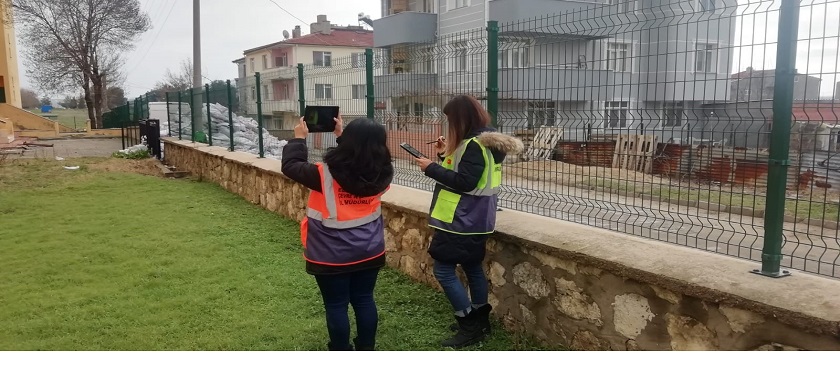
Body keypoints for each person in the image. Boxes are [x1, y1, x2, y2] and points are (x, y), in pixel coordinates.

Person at [413, 95, 523, 349]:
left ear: (461, 118)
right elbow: (467, 174)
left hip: (460, 220)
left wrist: (430, 167)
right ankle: (480, 321)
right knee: (473, 268)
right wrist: (443, 157)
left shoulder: (474, 144)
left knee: (443, 270)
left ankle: (469, 324)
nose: (449, 124)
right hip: (478, 219)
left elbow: (465, 182)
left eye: (451, 119)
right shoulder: (486, 142)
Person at [282, 115, 394, 351]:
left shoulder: (323, 174)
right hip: (369, 250)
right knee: (364, 300)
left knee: (336, 305)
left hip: (329, 254)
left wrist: (299, 139)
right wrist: (342, 136)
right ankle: (366, 348)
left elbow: (291, 166)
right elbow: (358, 163)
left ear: (350, 142)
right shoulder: (384, 173)